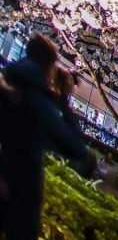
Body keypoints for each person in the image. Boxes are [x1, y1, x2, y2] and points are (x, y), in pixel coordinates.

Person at [0, 34, 87, 239]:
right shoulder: (35, 100)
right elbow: (75, 147)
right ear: (49, 65)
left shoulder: (7, 80)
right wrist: (62, 101)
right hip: (19, 195)